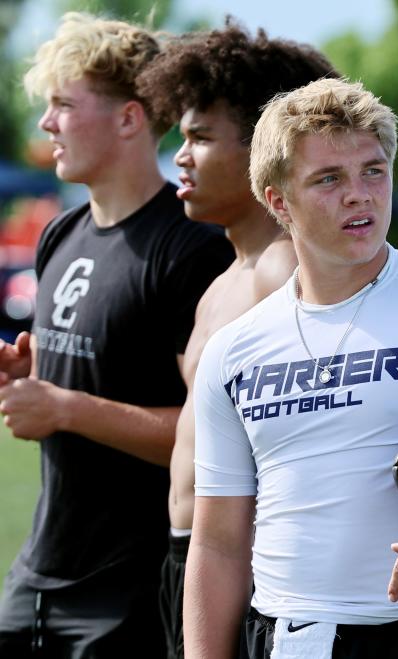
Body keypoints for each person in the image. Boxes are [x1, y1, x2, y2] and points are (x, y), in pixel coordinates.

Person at [185, 78, 398, 659]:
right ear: (278, 201)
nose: (360, 195)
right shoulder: (234, 348)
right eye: (329, 179)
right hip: (272, 637)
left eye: (374, 171)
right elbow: (219, 542)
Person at [0, 13, 233, 656]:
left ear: (130, 119)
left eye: (63, 105)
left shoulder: (191, 250)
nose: (47, 123)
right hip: (37, 577)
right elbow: (80, 373)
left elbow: (211, 438)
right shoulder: (58, 235)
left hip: (127, 593)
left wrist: (65, 408)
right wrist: (32, 376)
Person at [135, 22, 339, 658]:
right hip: (189, 558)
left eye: (199, 137)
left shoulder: (286, 269)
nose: (180, 158)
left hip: (252, 569)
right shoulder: (223, 280)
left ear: (261, 151)